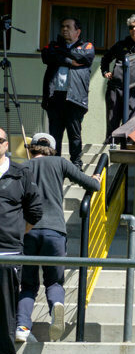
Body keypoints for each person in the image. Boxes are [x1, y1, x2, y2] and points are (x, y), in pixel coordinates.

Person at [16, 133, 101, 342]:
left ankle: (22, 326)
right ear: (52, 148)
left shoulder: (21, 169)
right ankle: (57, 305)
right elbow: (91, 185)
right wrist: (96, 179)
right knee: (54, 281)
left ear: (32, 148)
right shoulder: (59, 163)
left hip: (27, 231)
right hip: (55, 231)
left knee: (27, 285)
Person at [0, 128, 43, 354]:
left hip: (8, 251)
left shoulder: (20, 173)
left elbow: (35, 211)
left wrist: (16, 233)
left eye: (0, 140)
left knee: (5, 309)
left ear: (7, 144)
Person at [41, 18, 94, 169]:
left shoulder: (87, 46)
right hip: (54, 97)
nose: (64, 29)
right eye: (62, 26)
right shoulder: (53, 45)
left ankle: (76, 165)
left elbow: (84, 56)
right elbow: (46, 56)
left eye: (68, 27)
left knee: (74, 135)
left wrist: (60, 54)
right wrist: (69, 60)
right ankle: (54, 165)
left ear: (77, 31)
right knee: (54, 135)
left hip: (74, 98)